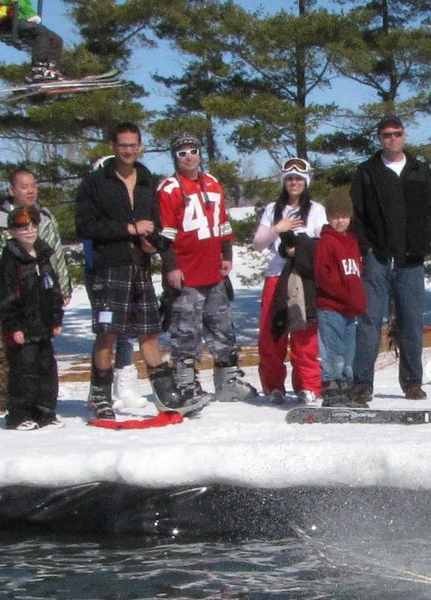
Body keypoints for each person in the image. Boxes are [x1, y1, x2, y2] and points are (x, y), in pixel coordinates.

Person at [74, 122, 193, 420]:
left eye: (133, 145)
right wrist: (128, 228)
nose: (128, 150)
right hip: (109, 267)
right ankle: (100, 395)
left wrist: (153, 244)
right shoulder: (95, 183)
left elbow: (153, 222)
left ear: (140, 146)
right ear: (112, 146)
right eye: (123, 145)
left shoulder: (145, 179)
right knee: (108, 333)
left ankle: (165, 394)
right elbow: (85, 226)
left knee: (148, 332)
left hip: (140, 266)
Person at [351, 114, 431, 401]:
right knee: (369, 322)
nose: (392, 139)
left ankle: (412, 381)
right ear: (379, 138)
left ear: (404, 136)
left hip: (410, 260)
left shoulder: (418, 170)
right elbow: (356, 215)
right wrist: (367, 248)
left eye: (397, 134)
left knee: (411, 322)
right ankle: (362, 382)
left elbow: (428, 211)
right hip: (376, 258)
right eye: (387, 135)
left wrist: (422, 243)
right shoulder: (367, 171)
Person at [158, 133, 246, 403]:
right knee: (186, 331)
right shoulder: (169, 189)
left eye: (192, 151)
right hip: (187, 273)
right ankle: (186, 383)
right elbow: (165, 235)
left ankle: (228, 379)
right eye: (182, 152)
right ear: (175, 157)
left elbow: (223, 223)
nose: (188, 157)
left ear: (200, 153)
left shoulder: (212, 183)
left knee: (222, 326)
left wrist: (227, 254)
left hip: (213, 271)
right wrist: (172, 267)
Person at [0, 167, 71, 417]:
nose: (30, 190)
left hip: (42, 292)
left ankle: (40, 399)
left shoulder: (45, 217)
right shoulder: (0, 219)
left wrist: (62, 285)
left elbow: (56, 253)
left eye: (33, 185)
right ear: (12, 190)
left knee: (39, 350)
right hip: (15, 292)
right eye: (24, 186)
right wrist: (18, 265)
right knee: (3, 345)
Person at [254, 158, 327, 405]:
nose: (294, 183)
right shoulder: (272, 209)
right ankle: (274, 385)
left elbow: (323, 243)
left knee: (304, 334)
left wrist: (302, 248)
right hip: (277, 275)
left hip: (303, 278)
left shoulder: (315, 209)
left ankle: (308, 385)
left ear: (306, 182)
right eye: (289, 179)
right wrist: (278, 228)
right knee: (271, 333)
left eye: (298, 179)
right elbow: (258, 243)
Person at [0, 204, 65, 430]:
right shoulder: (10, 259)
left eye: (33, 225)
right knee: (24, 371)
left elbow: (53, 288)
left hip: (42, 325)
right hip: (23, 327)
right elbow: (5, 296)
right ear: (13, 231)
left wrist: (55, 319)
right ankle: (19, 414)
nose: (29, 230)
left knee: (46, 369)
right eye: (22, 226)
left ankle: (45, 411)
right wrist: (14, 326)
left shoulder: (43, 254)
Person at [313, 189, 368, 406]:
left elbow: (356, 274)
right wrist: (344, 297)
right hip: (331, 307)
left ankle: (346, 386)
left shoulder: (352, 242)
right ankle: (331, 387)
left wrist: (357, 300)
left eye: (344, 216)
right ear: (328, 217)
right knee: (332, 351)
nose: (340, 221)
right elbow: (323, 277)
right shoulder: (327, 242)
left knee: (348, 353)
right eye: (335, 217)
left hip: (349, 309)